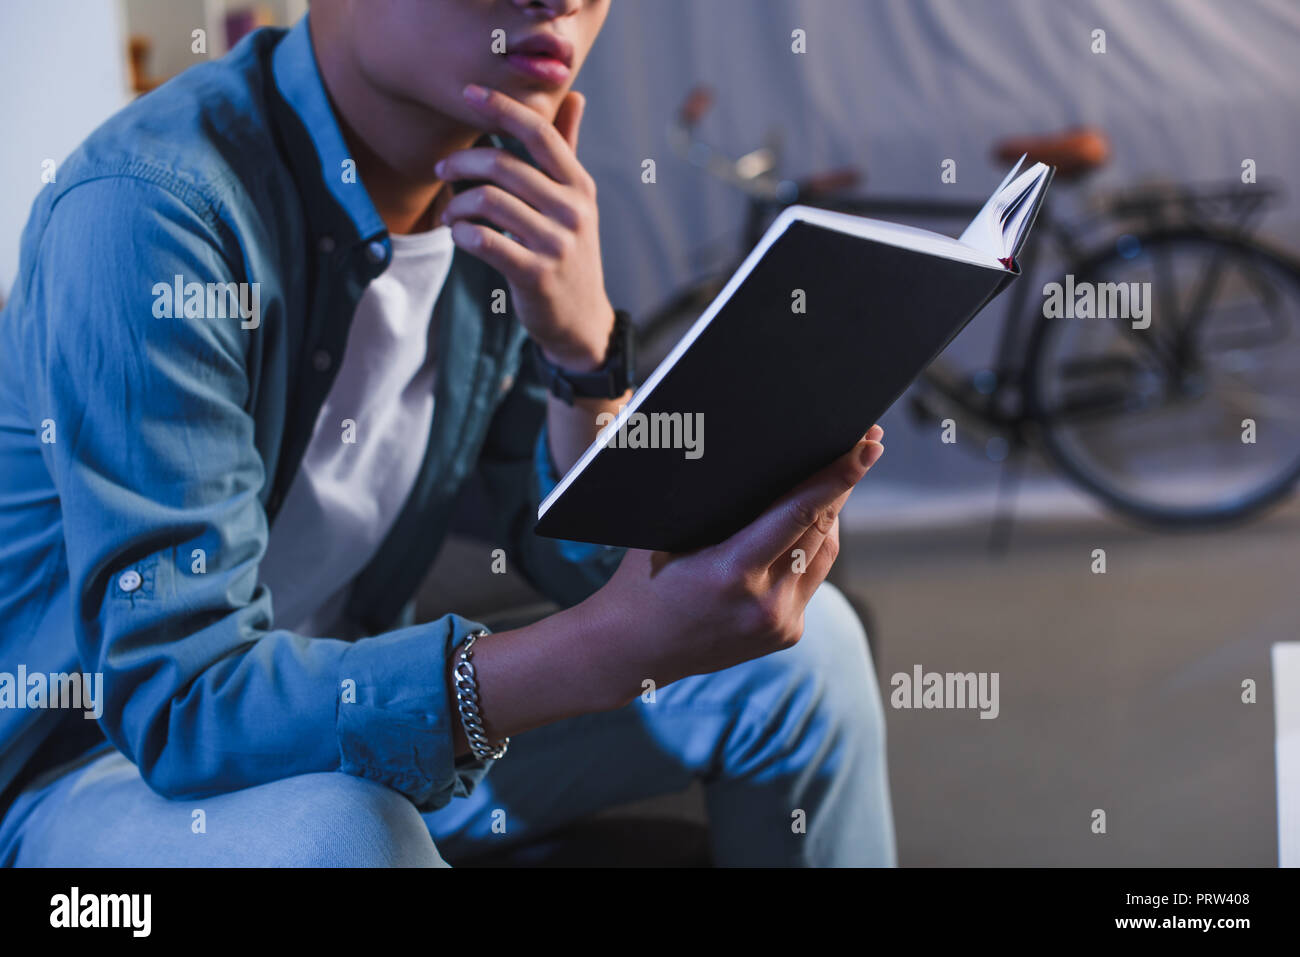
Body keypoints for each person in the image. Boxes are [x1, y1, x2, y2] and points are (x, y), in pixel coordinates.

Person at [0, 0, 894, 867]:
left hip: (326, 708)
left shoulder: (500, 190)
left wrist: (584, 357)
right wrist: (610, 649)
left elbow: (577, 557)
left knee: (810, 657)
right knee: (344, 833)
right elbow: (183, 706)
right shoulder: (153, 210)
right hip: (89, 775)